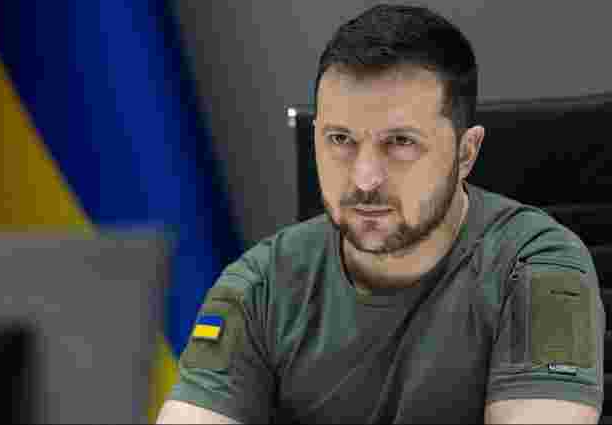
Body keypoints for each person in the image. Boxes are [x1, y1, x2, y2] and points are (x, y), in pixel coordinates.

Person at [157, 4, 604, 424]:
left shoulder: (538, 267)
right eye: (340, 140)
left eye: (400, 142)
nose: (365, 178)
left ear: (466, 152)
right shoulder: (260, 285)